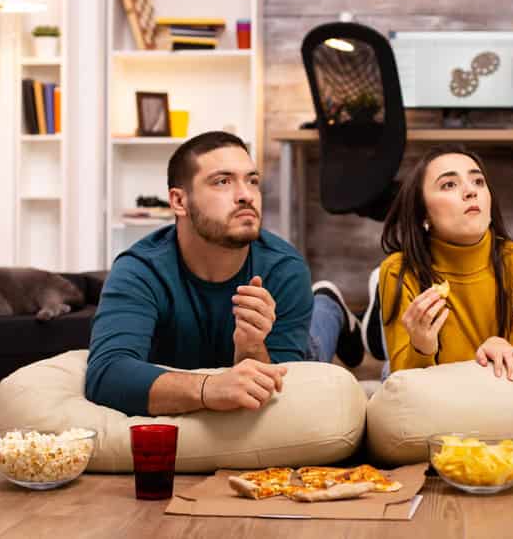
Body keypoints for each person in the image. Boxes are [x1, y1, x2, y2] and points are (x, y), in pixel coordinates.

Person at [85, 131, 363, 417]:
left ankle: (330, 306)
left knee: (314, 351)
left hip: (293, 344)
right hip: (206, 376)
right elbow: (106, 374)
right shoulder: (140, 270)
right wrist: (209, 388)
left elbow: (279, 395)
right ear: (179, 201)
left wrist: (252, 346)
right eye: (222, 181)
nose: (246, 195)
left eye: (252, 181)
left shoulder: (284, 268)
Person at [375, 145, 513, 381]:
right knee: (389, 375)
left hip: (476, 396)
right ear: (423, 214)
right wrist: (422, 348)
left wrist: (501, 347)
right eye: (449, 184)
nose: (471, 191)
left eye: (478, 182)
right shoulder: (398, 271)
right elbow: (409, 395)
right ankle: (376, 324)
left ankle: (375, 326)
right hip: (425, 386)